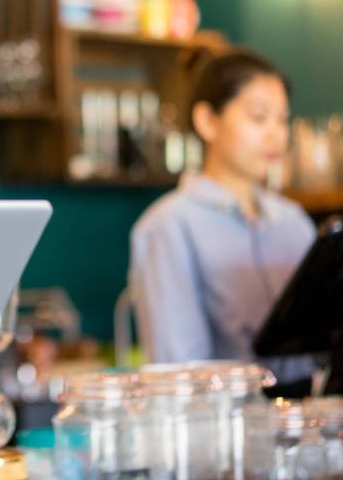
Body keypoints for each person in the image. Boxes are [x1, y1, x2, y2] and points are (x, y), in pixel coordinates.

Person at [128, 50, 316, 386]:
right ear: (208, 122)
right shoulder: (168, 226)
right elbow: (178, 372)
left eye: (282, 119)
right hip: (223, 426)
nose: (275, 134)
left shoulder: (294, 223)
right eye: (259, 118)